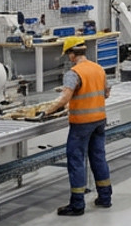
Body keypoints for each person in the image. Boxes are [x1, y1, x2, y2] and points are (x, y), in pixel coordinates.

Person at [41, 37, 112, 216]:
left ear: (72, 54)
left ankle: (77, 204)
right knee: (98, 157)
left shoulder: (73, 73)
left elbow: (65, 97)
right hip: (99, 120)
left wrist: (47, 111)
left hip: (81, 123)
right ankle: (105, 197)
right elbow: (106, 92)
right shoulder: (98, 68)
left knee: (76, 160)